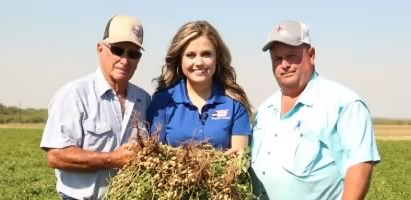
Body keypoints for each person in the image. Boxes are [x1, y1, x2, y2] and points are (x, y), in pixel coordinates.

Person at [250, 20, 381, 200]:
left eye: (292, 56)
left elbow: (360, 167)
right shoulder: (265, 109)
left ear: (311, 55)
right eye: (277, 59)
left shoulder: (344, 103)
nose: (284, 64)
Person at [39, 15, 151, 200]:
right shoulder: (74, 95)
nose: (125, 60)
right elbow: (56, 156)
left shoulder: (144, 100)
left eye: (133, 54)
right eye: (118, 50)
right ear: (100, 49)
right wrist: (113, 159)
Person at [147, 20, 253, 155]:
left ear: (217, 58)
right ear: (179, 59)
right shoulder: (161, 102)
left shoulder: (234, 103)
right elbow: (153, 156)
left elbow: (239, 159)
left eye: (206, 54)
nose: (199, 62)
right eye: (190, 55)